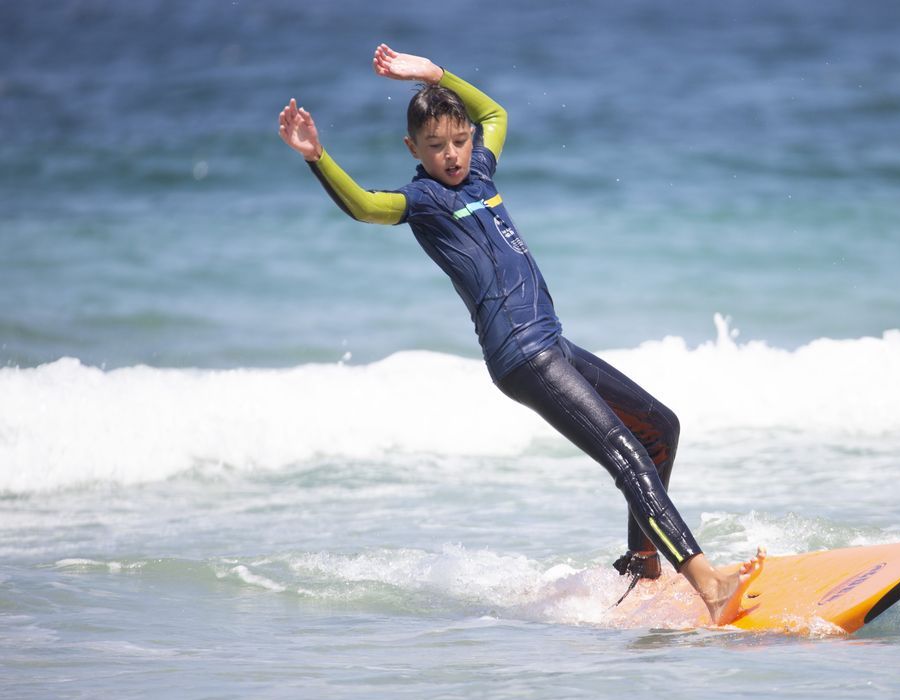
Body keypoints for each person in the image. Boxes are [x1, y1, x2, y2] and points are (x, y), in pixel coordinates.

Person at [278, 44, 763, 624]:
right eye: (436, 146)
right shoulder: (423, 201)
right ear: (414, 149)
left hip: (552, 342)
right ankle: (708, 583)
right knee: (628, 456)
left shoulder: (480, 171)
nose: (452, 154)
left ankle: (641, 564)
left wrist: (436, 75)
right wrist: (317, 157)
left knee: (660, 429)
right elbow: (363, 207)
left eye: (457, 141)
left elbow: (496, 116)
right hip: (522, 357)